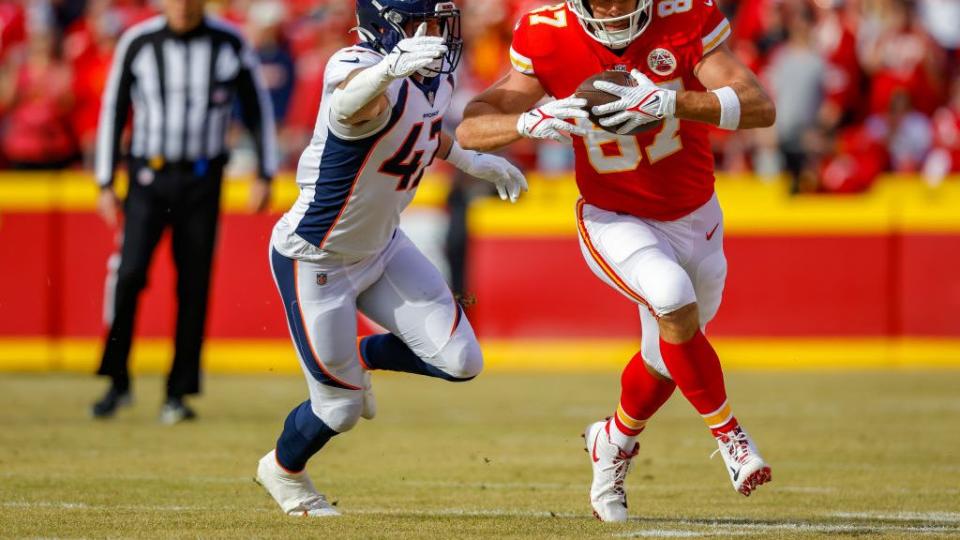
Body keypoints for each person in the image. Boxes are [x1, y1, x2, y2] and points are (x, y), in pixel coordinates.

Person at [456, 0, 776, 522]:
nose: (614, 11)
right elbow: (472, 127)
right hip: (615, 216)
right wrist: (532, 120)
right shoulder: (546, 30)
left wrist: (670, 103)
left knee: (667, 354)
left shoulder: (686, 14)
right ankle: (732, 438)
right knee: (673, 298)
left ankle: (613, 441)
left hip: (699, 216)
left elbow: (759, 106)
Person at [254, 0, 527, 517]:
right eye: (423, 23)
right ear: (386, 25)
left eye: (440, 23)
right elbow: (348, 108)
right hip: (317, 257)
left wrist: (472, 159)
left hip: (382, 245)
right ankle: (284, 471)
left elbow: (420, 131)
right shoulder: (354, 66)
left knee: (462, 361)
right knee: (339, 409)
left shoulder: (431, 80)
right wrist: (386, 69)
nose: (437, 36)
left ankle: (364, 355)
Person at [91, 0, 277, 424]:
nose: (182, 6)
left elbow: (256, 107)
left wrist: (265, 171)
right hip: (147, 177)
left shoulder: (229, 42)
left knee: (194, 285)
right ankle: (117, 380)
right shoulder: (139, 42)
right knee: (131, 273)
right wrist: (105, 180)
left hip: (202, 179)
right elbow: (114, 108)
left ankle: (178, 392)